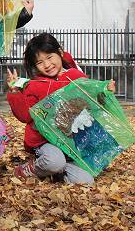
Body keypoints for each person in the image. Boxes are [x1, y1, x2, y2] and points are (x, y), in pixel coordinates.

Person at [6, 33, 115, 184]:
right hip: (45, 141)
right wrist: (14, 92)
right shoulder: (34, 85)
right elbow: (25, 116)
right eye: (39, 62)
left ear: (60, 52)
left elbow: (92, 102)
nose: (47, 65)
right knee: (54, 161)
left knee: (86, 181)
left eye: (50, 57)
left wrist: (104, 92)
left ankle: (56, 172)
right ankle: (31, 168)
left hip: (73, 140)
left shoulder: (76, 77)